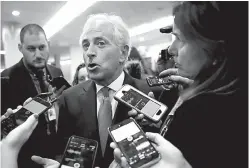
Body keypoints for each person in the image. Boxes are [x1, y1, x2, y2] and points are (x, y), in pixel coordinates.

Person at [111, 2, 247, 168]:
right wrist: (163, 125)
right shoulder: (195, 99)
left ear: (217, 50)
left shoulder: (204, 112)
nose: (170, 49)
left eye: (180, 39)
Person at [51, 13, 151, 168]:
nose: (89, 52)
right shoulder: (69, 98)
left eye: (100, 43)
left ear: (123, 53)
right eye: (85, 45)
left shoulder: (150, 94)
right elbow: (62, 151)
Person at [1, 24, 64, 168]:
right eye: (31, 49)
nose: (38, 54)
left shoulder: (56, 72)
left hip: (55, 154)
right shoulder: (5, 80)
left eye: (42, 47)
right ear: (20, 48)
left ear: (48, 45)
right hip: (24, 157)